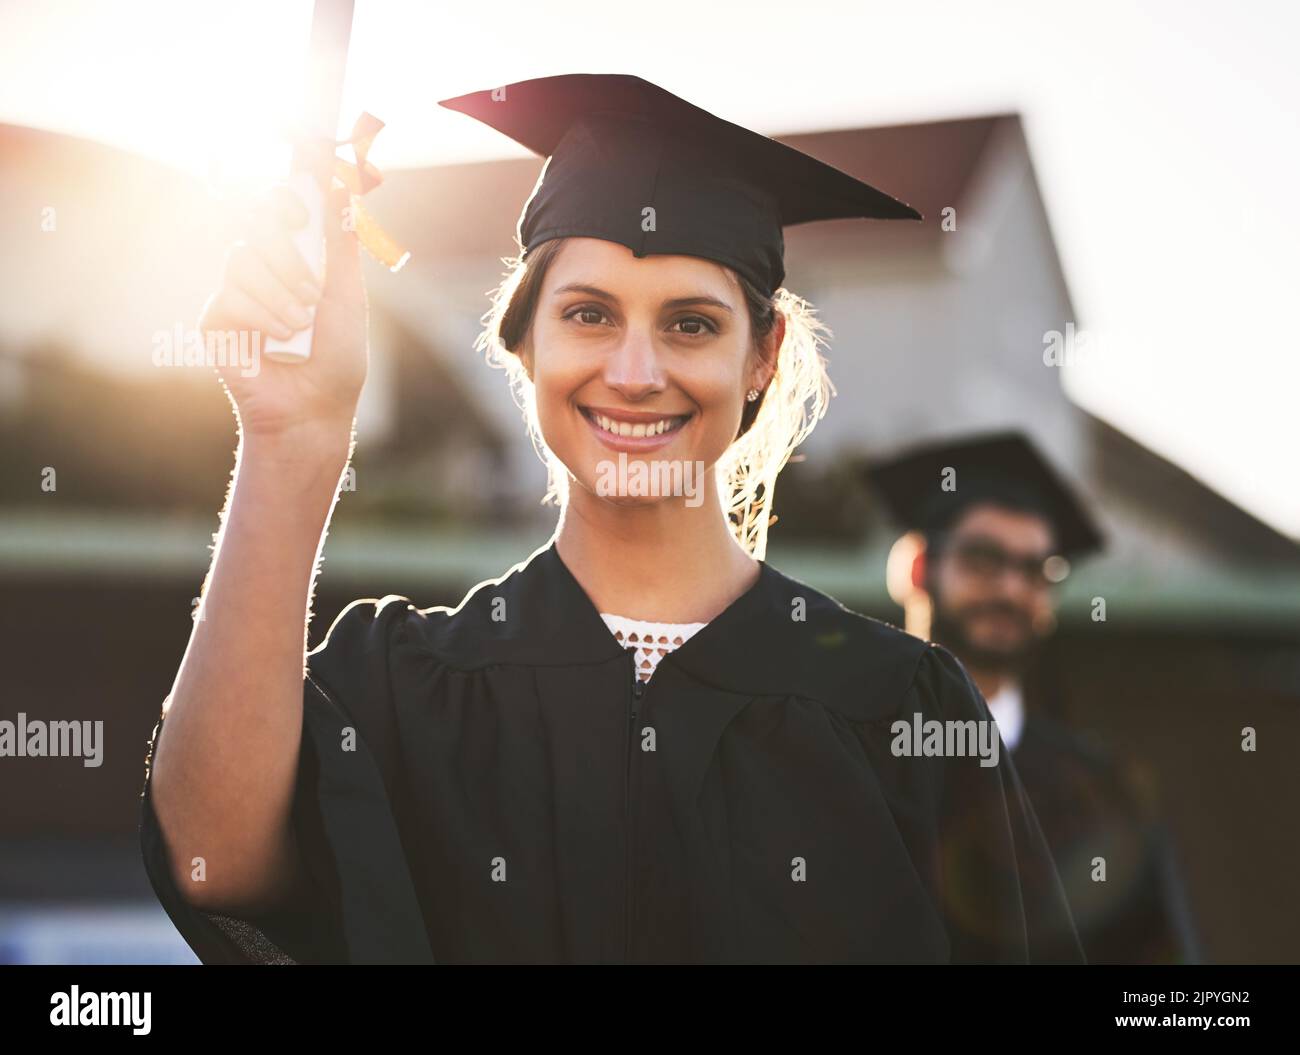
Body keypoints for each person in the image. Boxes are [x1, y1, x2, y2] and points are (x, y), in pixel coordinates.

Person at [138, 74, 1082, 964]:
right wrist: (289, 442)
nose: (634, 372)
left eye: (691, 323)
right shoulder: (404, 689)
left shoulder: (898, 706)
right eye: (589, 314)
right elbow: (212, 861)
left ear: (764, 355)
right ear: (523, 340)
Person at [866, 429, 1201, 964]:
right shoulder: (841, 749)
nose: (1010, 589)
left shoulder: (1101, 794)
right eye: (982, 559)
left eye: (1035, 570)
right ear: (917, 569)